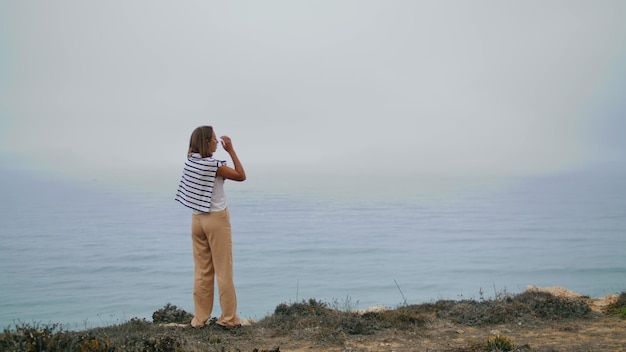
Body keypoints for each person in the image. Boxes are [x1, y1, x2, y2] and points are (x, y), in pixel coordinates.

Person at [174, 125, 246, 329]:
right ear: (206, 143)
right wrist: (231, 150)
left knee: (202, 271)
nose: (217, 142)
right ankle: (228, 319)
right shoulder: (214, 166)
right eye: (214, 139)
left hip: (197, 220)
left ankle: (199, 319)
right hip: (216, 219)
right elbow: (241, 175)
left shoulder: (191, 163)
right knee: (224, 271)